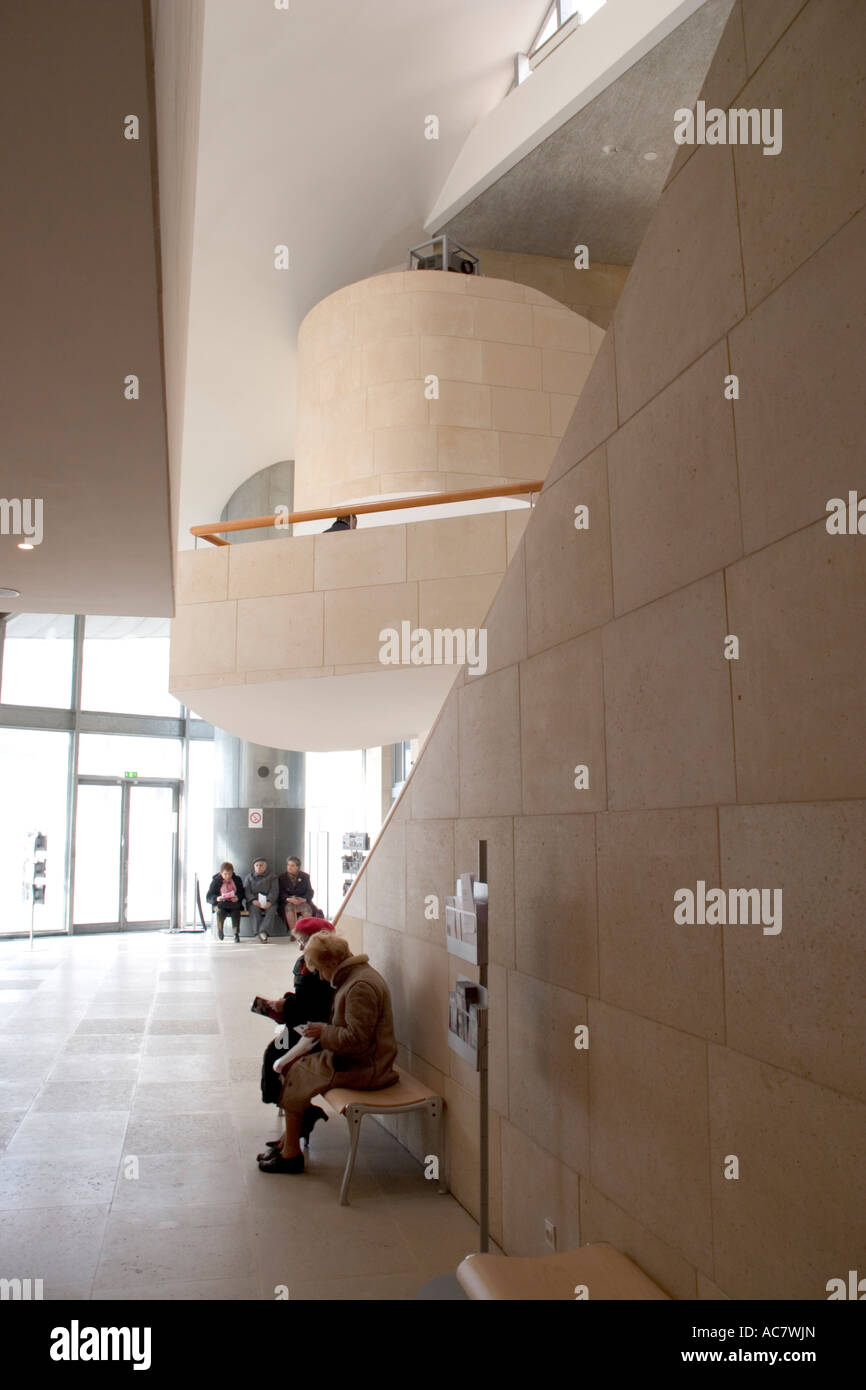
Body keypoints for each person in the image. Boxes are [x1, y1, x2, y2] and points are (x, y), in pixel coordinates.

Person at [258, 934, 398, 1174]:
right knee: (292, 1064)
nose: (321, 976)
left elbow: (357, 1040)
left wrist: (324, 1030)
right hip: (357, 1059)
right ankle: (288, 1142)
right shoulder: (355, 977)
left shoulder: (359, 987)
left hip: (366, 1067)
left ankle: (291, 1153)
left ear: (331, 963)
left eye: (320, 970)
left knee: (296, 1073)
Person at [257, 918, 336, 1158]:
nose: (300, 947)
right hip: (302, 1025)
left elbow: (315, 1005)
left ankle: (301, 1119)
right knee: (274, 1054)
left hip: (312, 1030)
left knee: (280, 1061)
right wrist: (285, 1003)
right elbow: (305, 999)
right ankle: (300, 1119)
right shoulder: (306, 963)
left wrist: (285, 1004)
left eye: (303, 941)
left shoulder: (320, 966)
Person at [206, 862, 245, 942]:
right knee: (220, 912)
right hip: (220, 904)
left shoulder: (237, 880)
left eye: (229, 874)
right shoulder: (216, 881)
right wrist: (217, 898)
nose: (227, 876)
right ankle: (220, 929)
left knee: (236, 913)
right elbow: (208, 897)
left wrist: (237, 897)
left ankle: (236, 934)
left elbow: (242, 892)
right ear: (221, 873)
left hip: (233, 904)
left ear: (232, 872)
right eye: (225, 874)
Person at [243, 859, 279, 941]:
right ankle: (258, 932)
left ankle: (263, 931)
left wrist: (269, 901)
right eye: (257, 865)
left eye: (261, 865)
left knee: (272, 909)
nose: (259, 867)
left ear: (265, 867)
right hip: (254, 901)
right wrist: (253, 900)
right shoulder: (249, 877)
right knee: (254, 909)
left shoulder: (272, 876)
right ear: (254, 867)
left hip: (268, 901)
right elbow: (247, 891)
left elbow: (274, 890)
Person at [277, 855, 314, 932]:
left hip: (301, 901)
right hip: (287, 901)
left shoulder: (305, 876)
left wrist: (303, 899)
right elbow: (280, 892)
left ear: (297, 867)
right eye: (288, 865)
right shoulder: (282, 877)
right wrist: (288, 898)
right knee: (289, 908)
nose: (289, 867)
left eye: (292, 865)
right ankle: (294, 933)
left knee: (306, 909)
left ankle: (306, 932)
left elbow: (310, 891)